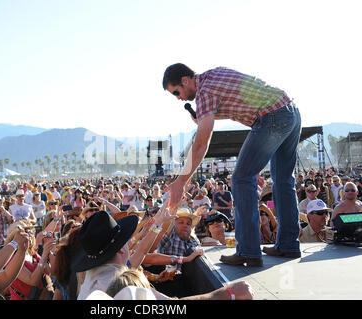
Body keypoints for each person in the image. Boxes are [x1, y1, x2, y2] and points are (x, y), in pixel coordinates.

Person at [162, 63, 302, 267]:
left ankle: (248, 251)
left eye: (177, 92)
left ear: (185, 80)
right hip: (291, 112)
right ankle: (289, 244)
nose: (178, 98)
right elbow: (236, 101)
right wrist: (205, 115)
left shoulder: (203, 93)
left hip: (272, 117)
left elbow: (202, 143)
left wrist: (181, 181)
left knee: (241, 178)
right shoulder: (214, 74)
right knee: (282, 180)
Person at [73, 209, 253, 300]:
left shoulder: (97, 275)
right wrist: (227, 293)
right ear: (121, 249)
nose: (131, 244)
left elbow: (141, 252)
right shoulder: (120, 285)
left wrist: (159, 220)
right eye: (127, 240)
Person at [5, 221, 54, 300]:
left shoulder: (32, 254)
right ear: (15, 238)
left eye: (31, 232)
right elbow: (33, 281)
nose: (30, 235)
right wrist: (44, 255)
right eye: (26, 232)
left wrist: (49, 250)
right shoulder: (12, 259)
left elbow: (51, 272)